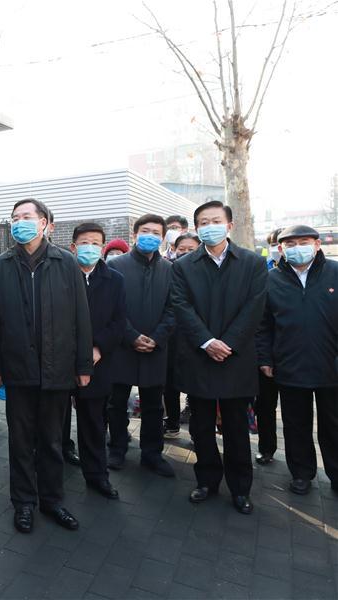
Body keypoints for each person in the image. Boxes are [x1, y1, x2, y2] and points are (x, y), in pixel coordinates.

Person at [0, 198, 92, 534]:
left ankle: (52, 500)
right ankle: (24, 503)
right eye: (15, 217)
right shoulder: (1, 266)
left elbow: (81, 317)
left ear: (46, 223)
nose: (20, 222)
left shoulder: (66, 263)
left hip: (57, 369)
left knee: (51, 440)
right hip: (17, 369)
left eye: (27, 217)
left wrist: (83, 364)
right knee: (19, 440)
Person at [171, 200, 267, 514]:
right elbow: (181, 306)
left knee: (236, 428)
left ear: (229, 225)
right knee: (200, 427)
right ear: (196, 229)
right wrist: (207, 341)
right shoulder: (184, 265)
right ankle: (207, 481)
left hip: (236, 358)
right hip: (199, 357)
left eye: (215, 220)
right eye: (203, 222)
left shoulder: (251, 262)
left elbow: (255, 308)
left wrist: (228, 343)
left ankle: (241, 488)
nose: (209, 226)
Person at [257, 225, 338, 495]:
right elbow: (263, 325)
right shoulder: (271, 280)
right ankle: (302, 473)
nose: (297, 248)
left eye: (303, 242)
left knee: (333, 424)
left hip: (331, 366)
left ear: (317, 244)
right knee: (295, 424)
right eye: (290, 244)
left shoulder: (335, 273)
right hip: (289, 366)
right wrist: (265, 358)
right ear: (280, 249)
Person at [106, 214, 176, 476]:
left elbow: (174, 308)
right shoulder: (116, 265)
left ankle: (152, 453)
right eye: (145, 230)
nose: (150, 236)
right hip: (123, 346)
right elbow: (110, 308)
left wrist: (157, 338)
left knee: (153, 406)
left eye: (156, 232)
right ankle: (117, 448)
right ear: (134, 234)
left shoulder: (170, 269)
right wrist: (131, 335)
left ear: (163, 237)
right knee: (117, 403)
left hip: (156, 348)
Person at [67, 222, 126, 499]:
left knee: (93, 422)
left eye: (95, 243)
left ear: (102, 248)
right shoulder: (61, 275)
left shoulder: (115, 280)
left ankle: (97, 475)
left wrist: (98, 348)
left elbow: (119, 321)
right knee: (54, 420)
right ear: (73, 246)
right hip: (61, 359)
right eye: (84, 242)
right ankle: (55, 467)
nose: (89, 248)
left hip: (98, 363)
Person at [163, 232, 201, 435]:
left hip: (197, 339)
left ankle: (198, 430)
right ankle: (172, 422)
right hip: (171, 338)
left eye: (191, 250)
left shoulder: (205, 272)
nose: (185, 253)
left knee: (196, 388)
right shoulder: (169, 269)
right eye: (181, 249)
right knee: (170, 384)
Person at [254, 228, 283, 464]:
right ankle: (267, 448)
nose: (278, 248)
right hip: (267, 353)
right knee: (265, 406)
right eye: (275, 243)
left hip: (300, 356)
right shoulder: (262, 270)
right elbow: (260, 321)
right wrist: (264, 357)